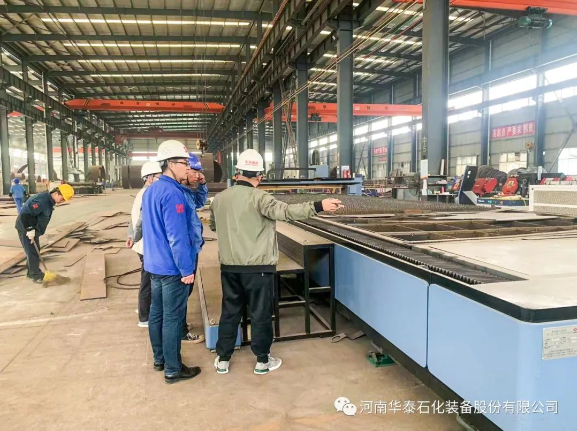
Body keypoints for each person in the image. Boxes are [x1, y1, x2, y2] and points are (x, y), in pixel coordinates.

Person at [209, 149, 343, 375]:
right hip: (258, 269)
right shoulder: (261, 198)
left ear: (237, 172)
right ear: (259, 176)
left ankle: (223, 359)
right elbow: (287, 212)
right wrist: (318, 206)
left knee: (230, 312)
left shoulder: (219, 199)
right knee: (260, 314)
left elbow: (214, 226)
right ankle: (262, 361)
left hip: (229, 268)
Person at [141, 140, 201, 384]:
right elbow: (177, 237)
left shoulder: (151, 190)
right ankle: (173, 369)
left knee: (156, 313)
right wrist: (186, 269)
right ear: (170, 164)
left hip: (154, 264)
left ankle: (160, 360)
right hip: (171, 267)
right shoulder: (173, 193)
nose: (187, 167)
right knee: (173, 318)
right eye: (184, 163)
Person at [126, 161, 162, 328]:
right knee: (147, 281)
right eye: (159, 177)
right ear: (149, 178)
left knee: (147, 279)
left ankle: (143, 307)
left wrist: (130, 235)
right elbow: (140, 221)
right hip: (146, 246)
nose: (161, 179)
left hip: (141, 245)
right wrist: (135, 237)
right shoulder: (148, 194)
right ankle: (144, 316)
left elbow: (132, 219)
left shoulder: (142, 193)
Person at [15, 184, 75, 283]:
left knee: (33, 251)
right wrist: (29, 229)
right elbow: (25, 214)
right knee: (33, 252)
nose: (63, 201)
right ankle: (36, 275)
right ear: (56, 194)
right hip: (26, 228)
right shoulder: (42, 201)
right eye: (62, 198)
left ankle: (31, 272)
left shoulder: (48, 201)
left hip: (33, 229)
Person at [178, 153, 208, 343]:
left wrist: (202, 185)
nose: (198, 176)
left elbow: (200, 202)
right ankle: (181, 332)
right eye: (195, 172)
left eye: (199, 173)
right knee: (181, 292)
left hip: (192, 248)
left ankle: (181, 324)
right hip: (185, 250)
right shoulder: (177, 194)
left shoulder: (187, 191)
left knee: (185, 292)